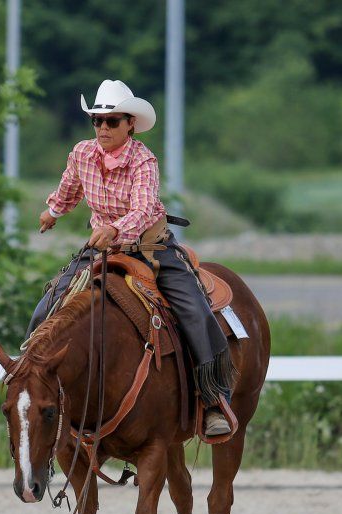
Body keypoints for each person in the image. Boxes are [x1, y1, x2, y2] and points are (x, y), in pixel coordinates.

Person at [27, 79, 234, 437]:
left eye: (112, 121)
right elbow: (69, 188)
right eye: (97, 121)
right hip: (101, 249)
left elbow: (141, 209)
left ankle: (213, 399)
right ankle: (30, 384)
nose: (103, 128)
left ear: (130, 124)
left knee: (195, 312)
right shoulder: (81, 153)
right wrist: (53, 211)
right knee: (47, 307)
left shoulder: (143, 160)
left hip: (150, 248)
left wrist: (115, 230)